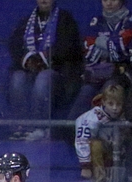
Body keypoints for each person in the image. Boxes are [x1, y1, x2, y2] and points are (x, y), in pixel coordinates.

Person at [7, 0, 83, 140]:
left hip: (57, 72)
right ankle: (20, 127)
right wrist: (28, 60)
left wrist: (44, 58)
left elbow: (68, 48)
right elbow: (14, 45)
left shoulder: (65, 19)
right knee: (17, 78)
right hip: (29, 70)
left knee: (43, 78)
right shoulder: (27, 21)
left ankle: (39, 127)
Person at [68, 0, 132, 122]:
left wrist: (101, 42)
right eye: (105, 0)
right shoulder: (96, 21)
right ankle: (71, 131)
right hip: (98, 73)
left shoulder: (130, 20)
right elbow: (88, 48)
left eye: (113, 0)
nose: (109, 3)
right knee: (86, 92)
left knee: (110, 89)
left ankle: (106, 132)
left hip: (123, 74)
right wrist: (114, 44)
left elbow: (126, 48)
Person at [75, 80, 131, 182]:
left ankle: (125, 180)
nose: (114, 108)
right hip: (98, 155)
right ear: (104, 102)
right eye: (111, 104)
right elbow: (82, 139)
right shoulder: (92, 118)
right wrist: (85, 165)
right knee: (96, 145)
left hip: (116, 151)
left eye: (118, 104)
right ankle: (100, 181)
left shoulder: (125, 116)